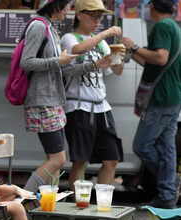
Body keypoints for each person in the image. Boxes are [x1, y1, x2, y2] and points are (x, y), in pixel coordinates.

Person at [19, 0, 112, 193]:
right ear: (56, 6)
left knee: (55, 161)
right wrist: (58, 60)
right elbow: (26, 62)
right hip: (42, 100)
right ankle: (24, 199)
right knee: (57, 159)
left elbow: (64, 70)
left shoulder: (49, 28)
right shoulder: (38, 26)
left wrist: (93, 65)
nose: (69, 11)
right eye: (67, 5)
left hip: (53, 100)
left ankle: (47, 209)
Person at [122, 0, 181, 208]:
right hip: (172, 95)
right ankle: (166, 196)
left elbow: (160, 58)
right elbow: (152, 62)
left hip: (161, 97)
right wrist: (133, 53)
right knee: (167, 147)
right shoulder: (174, 27)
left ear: (154, 8)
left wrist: (135, 46)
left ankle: (169, 182)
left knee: (142, 145)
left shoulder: (163, 26)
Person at [60, 0, 124, 189]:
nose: (97, 20)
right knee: (81, 161)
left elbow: (116, 71)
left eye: (100, 17)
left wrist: (118, 56)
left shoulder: (102, 42)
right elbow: (76, 50)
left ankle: (101, 208)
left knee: (111, 159)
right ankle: (77, 210)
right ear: (79, 15)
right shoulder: (69, 38)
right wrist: (106, 33)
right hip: (78, 106)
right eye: (93, 15)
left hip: (102, 107)